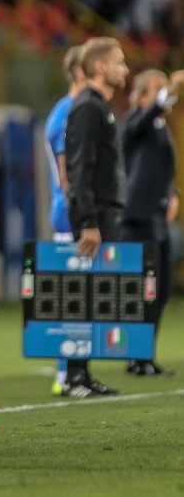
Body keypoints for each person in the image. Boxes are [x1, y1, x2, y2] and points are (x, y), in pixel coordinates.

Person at [64, 36, 130, 397]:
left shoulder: (98, 105)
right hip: (94, 215)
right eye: (120, 62)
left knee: (93, 296)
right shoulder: (88, 106)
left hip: (103, 211)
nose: (126, 69)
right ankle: (75, 377)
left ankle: (82, 373)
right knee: (84, 294)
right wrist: (88, 221)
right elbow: (80, 167)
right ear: (101, 67)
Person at [119, 67, 184, 376]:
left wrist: (172, 193)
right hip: (138, 219)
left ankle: (145, 356)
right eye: (159, 90)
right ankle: (136, 357)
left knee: (159, 290)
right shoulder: (136, 120)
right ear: (143, 95)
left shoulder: (158, 125)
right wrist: (171, 87)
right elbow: (142, 124)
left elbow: (159, 170)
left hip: (157, 217)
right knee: (140, 291)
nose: (167, 95)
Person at [43, 44, 86, 395]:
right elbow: (65, 175)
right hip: (69, 215)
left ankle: (73, 371)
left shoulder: (74, 110)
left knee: (79, 296)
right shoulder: (67, 114)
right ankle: (65, 374)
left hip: (76, 213)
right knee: (71, 296)